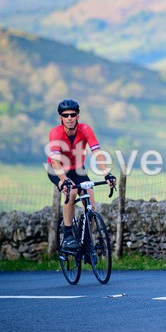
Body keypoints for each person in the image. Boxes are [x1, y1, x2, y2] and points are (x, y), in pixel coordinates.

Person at [46, 99, 115, 253]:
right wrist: (64, 180)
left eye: (73, 114)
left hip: (77, 169)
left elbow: (97, 153)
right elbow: (55, 162)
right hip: (57, 170)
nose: (69, 118)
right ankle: (68, 234)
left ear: (78, 116)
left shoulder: (85, 129)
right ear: (60, 117)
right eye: (66, 115)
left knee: (90, 201)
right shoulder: (55, 133)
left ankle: (87, 242)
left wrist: (107, 173)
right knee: (71, 193)